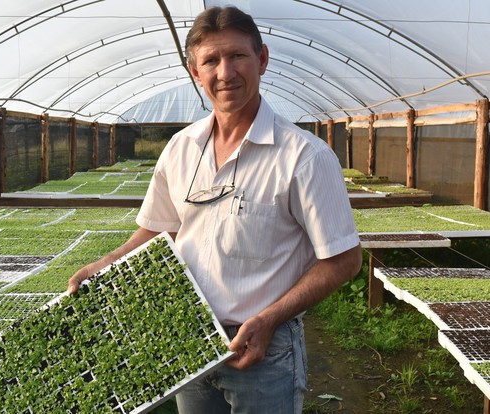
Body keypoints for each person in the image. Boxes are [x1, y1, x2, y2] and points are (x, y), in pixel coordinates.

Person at [68, 5, 362, 413]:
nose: (225, 72)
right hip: (188, 338)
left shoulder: (304, 156)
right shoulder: (181, 147)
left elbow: (344, 260)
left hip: (264, 349)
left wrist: (270, 319)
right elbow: (159, 229)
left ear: (262, 59)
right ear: (195, 72)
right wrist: (105, 264)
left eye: (237, 56)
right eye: (211, 60)